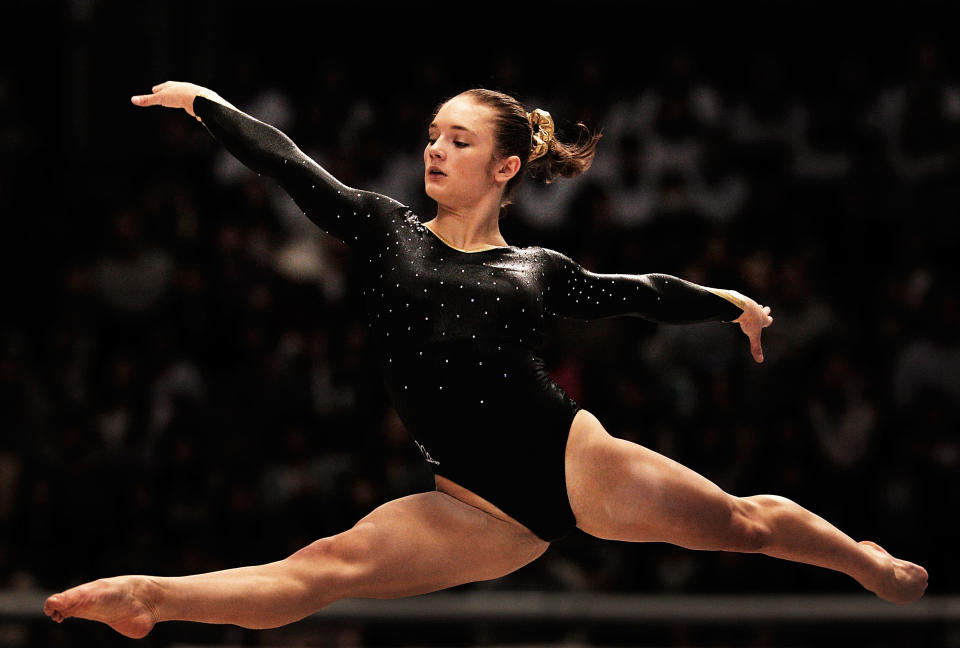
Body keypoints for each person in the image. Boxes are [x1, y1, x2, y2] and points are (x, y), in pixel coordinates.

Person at [44, 81, 927, 639]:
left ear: (506, 167)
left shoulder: (536, 269)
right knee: (320, 570)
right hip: (474, 506)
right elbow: (294, 171)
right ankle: (150, 598)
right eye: (432, 134)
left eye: (458, 142)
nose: (434, 149)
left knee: (743, 526)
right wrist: (210, 106)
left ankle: (866, 563)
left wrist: (725, 302)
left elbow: (636, 290)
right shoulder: (386, 229)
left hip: (574, 464)